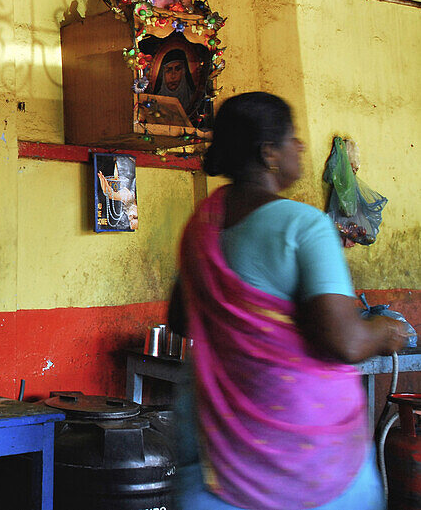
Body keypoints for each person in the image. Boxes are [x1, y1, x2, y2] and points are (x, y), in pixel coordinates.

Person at [168, 92, 409, 510]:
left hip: (218, 456)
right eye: (292, 138)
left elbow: (179, 319)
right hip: (305, 459)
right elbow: (346, 343)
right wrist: (387, 332)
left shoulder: (201, 224)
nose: (300, 147)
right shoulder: (305, 224)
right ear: (269, 154)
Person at [150, 49, 198, 117]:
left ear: (184, 71)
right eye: (168, 70)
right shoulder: (154, 101)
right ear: (163, 74)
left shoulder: (194, 100)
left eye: (178, 69)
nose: (173, 76)